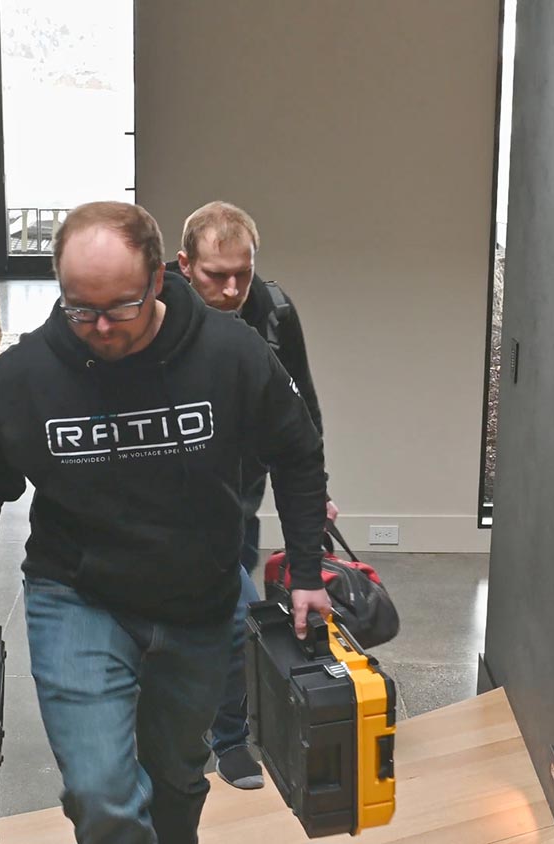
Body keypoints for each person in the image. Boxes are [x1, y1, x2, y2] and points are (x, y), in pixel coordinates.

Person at [0, 201, 332, 844]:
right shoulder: (26, 375)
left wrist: (307, 570)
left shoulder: (229, 353)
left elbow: (297, 452)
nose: (98, 327)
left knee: (176, 781)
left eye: (120, 306)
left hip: (198, 601)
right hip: (78, 597)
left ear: (156, 279)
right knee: (101, 794)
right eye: (80, 307)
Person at [168, 201, 337, 790]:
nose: (232, 289)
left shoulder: (272, 312)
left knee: (235, 618)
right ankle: (191, 735)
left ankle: (228, 737)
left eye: (243, 273)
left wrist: (316, 495)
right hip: (170, 497)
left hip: (240, 491)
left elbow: (302, 411)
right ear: (185, 265)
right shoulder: (153, 309)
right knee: (192, 617)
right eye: (216, 275)